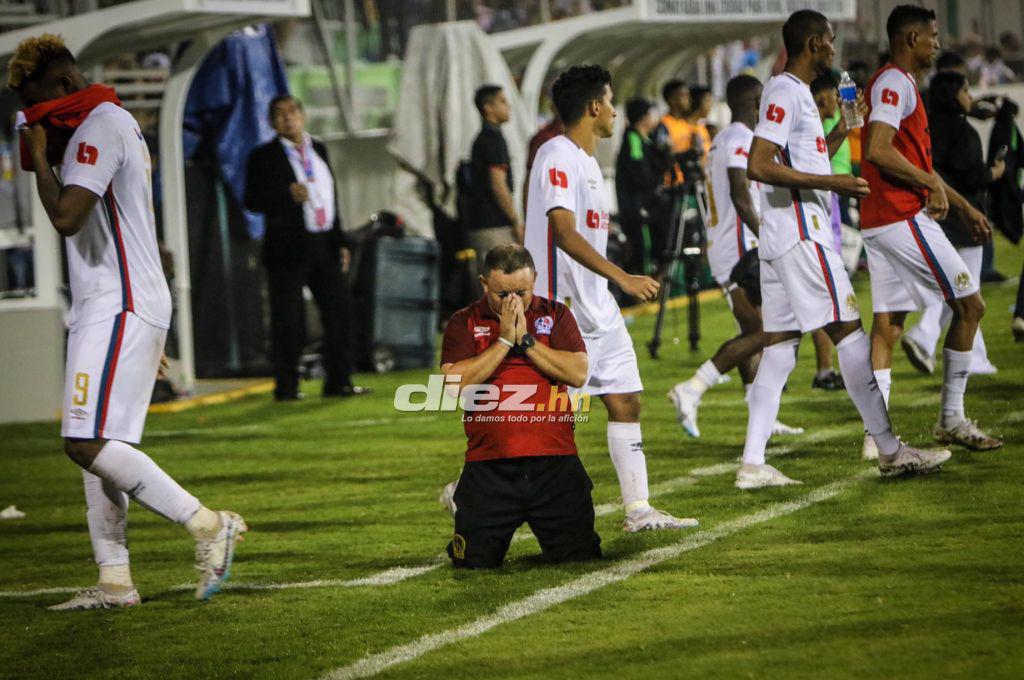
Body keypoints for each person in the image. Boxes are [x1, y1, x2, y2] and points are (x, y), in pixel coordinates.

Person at [9, 34, 246, 609]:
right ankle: (115, 580)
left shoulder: (99, 124)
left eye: (39, 101)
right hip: (111, 303)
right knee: (98, 437)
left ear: (65, 87)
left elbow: (67, 216)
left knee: (83, 441)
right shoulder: (104, 124)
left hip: (119, 302)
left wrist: (39, 153)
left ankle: (208, 523)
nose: (34, 117)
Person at [740, 10, 950, 488]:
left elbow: (800, 154)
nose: (835, 49)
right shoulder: (784, 90)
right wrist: (831, 180)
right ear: (814, 44)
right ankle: (891, 450)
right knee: (852, 335)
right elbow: (759, 163)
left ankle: (753, 463)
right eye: (830, 41)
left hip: (782, 237)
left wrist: (844, 129)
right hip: (801, 234)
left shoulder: (796, 96)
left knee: (778, 348)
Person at [524, 64, 697, 531]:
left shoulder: (586, 162)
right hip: (560, 310)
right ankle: (469, 492)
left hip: (597, 306)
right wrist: (623, 276)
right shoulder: (556, 155)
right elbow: (562, 233)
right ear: (594, 107)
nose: (616, 112)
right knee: (540, 421)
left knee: (625, 400)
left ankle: (638, 510)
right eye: (612, 101)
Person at [860, 5, 1002, 455]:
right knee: (970, 305)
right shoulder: (894, 83)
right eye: (932, 36)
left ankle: (875, 437)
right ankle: (952, 418)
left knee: (887, 326)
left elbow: (918, 163)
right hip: (900, 217)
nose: (937, 44)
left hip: (884, 219)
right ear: (910, 39)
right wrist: (931, 188)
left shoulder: (899, 85)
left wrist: (959, 205)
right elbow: (879, 151)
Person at [439, 245, 600, 568]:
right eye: (502, 294)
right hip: (490, 467)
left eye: (521, 293)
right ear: (484, 284)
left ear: (535, 281)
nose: (512, 302)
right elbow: (454, 384)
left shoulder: (556, 315)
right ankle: (466, 500)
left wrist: (526, 341)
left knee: (580, 559)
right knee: (473, 562)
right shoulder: (464, 321)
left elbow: (578, 373)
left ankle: (464, 498)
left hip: (555, 465)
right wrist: (502, 341)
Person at [667, 74, 803, 439]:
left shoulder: (723, 139)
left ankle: (761, 415)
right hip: (742, 247)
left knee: (753, 331)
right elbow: (741, 195)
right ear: (756, 102)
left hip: (726, 245)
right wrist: (768, 237)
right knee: (772, 329)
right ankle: (693, 387)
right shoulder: (741, 139)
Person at [245, 95, 368, 402]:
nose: (288, 118)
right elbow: (252, 200)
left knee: (340, 311)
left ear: (302, 115)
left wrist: (339, 240)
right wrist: (285, 195)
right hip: (287, 248)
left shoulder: (319, 149)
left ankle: (339, 380)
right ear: (272, 122)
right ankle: (286, 387)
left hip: (323, 242)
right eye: (280, 114)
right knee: (289, 320)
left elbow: (331, 198)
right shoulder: (264, 156)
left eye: (292, 112)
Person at [900, 71, 1003, 376]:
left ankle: (975, 357)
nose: (970, 96)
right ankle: (924, 334)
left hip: (936, 215)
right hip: (964, 216)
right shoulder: (962, 131)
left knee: (961, 288)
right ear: (955, 95)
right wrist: (995, 172)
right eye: (966, 90)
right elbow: (972, 176)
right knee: (965, 289)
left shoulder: (928, 126)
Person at [468, 84, 521, 265]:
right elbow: (498, 184)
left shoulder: (483, 138)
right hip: (494, 228)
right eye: (503, 101)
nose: (508, 106)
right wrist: (515, 220)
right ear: (488, 108)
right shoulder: (493, 139)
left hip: (484, 226)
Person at [615, 97, 661, 275]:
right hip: (637, 208)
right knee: (643, 248)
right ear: (643, 117)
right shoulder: (633, 138)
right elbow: (638, 170)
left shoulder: (645, 139)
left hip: (644, 206)